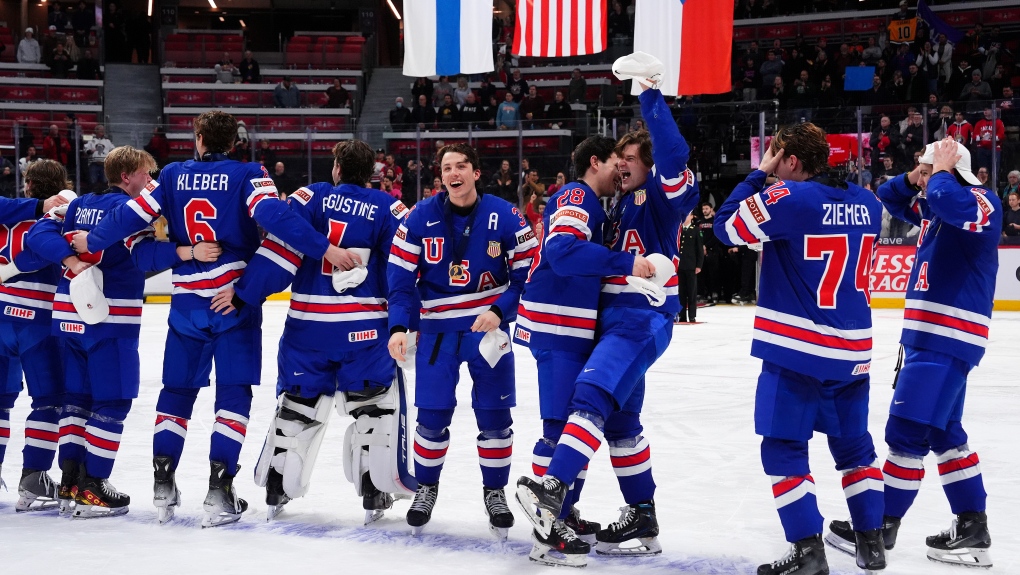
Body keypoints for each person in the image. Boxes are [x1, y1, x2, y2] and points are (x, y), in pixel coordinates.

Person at [70, 111, 353, 527]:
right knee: (234, 396)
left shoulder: (170, 175)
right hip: (232, 301)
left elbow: (131, 216)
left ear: (199, 138)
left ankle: (162, 483)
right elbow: (274, 218)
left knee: (177, 393)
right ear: (234, 141)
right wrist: (324, 248)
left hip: (186, 304)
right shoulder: (248, 174)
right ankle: (219, 492)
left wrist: (92, 240)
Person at [516, 68, 699, 558]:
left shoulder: (663, 196)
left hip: (640, 318)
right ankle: (643, 516)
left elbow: (675, 156)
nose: (622, 168)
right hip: (606, 322)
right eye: (618, 161)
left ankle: (552, 492)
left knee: (589, 395)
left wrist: (650, 97)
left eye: (631, 161)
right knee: (620, 425)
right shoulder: (610, 204)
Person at [715, 125, 885, 575]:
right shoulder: (867, 201)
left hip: (798, 350)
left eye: (778, 155)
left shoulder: (790, 198)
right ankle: (872, 545)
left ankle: (809, 553)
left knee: (784, 448)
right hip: (854, 350)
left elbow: (726, 227)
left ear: (790, 160)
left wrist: (760, 172)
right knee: (855, 450)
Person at [828, 138, 998, 568]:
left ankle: (880, 529)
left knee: (904, 435)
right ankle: (972, 528)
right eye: (921, 173)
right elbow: (888, 196)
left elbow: (950, 198)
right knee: (944, 434)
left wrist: (939, 170)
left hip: (946, 337)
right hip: (929, 338)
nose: (923, 181)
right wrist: (917, 174)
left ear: (953, 170)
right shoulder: (935, 206)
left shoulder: (980, 201)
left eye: (930, 171)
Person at [226, 139, 412, 522]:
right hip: (365, 332)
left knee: (297, 408)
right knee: (374, 409)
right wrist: (409, 322)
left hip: (307, 329)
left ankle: (278, 484)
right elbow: (405, 269)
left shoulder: (310, 197)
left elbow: (279, 253)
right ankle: (375, 491)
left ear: (337, 168)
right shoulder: (389, 208)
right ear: (372, 173)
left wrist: (245, 294)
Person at [25, 149, 204, 518]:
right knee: (114, 402)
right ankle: (94, 486)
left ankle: (70, 481)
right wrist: (184, 252)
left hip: (67, 316)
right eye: (146, 172)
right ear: (127, 176)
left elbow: (39, 231)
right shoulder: (128, 213)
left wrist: (69, 259)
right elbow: (144, 257)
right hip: (110, 320)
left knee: (76, 400)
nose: (151, 180)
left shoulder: (78, 205)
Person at [386, 143, 538, 538]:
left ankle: (495, 492)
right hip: (437, 333)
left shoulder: (506, 215)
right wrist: (399, 326)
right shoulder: (419, 217)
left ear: (476, 172)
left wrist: (501, 310)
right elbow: (400, 281)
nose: (454, 173)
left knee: (495, 418)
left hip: (488, 332)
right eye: (447, 167)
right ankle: (426, 488)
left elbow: (528, 274)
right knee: (432, 417)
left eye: (462, 166)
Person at [512, 136, 630, 567]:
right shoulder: (578, 194)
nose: (621, 169)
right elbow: (561, 251)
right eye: (616, 161)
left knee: (570, 425)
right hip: (556, 325)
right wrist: (625, 263)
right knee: (560, 426)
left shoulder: (593, 203)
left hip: (568, 325)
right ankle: (547, 528)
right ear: (595, 161)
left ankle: (560, 512)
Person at [0, 160, 71, 512]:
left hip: (0, 314)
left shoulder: (7, 211)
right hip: (39, 317)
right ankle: (34, 477)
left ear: (28, 185)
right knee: (49, 401)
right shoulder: (61, 216)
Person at [675, 212, 702, 324]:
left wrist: (699, 265)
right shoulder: (679, 230)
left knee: (691, 292)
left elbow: (699, 249)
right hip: (680, 266)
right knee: (681, 292)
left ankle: (692, 316)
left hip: (691, 265)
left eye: (687, 215)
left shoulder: (696, 230)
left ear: (692, 217)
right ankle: (681, 316)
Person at [84, 124, 114, 190]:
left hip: (104, 164)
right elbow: (86, 150)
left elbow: (113, 150)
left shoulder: (107, 141)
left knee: (105, 181)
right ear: (96, 131)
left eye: (103, 130)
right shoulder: (91, 140)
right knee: (93, 181)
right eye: (100, 130)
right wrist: (90, 151)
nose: (102, 132)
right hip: (94, 163)